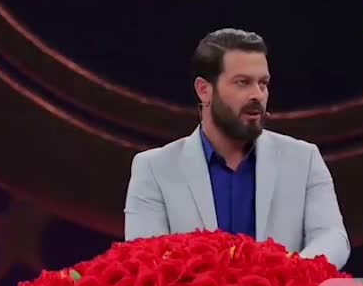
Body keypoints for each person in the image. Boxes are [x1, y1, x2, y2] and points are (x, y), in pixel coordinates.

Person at [123, 28, 351, 270]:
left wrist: (289, 274)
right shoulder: (154, 168)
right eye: (243, 83)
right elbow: (145, 259)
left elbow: (332, 237)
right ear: (204, 90)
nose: (257, 95)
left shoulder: (304, 159)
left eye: (263, 84)